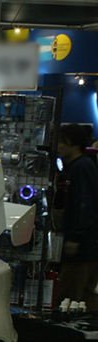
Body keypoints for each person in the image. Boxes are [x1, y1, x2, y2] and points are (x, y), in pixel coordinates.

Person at [57, 123, 98, 309]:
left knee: (70, 293)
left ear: (74, 144)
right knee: (85, 296)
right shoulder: (84, 165)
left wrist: (75, 237)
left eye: (62, 142)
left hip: (83, 245)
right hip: (89, 243)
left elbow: (85, 204)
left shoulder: (81, 167)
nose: (58, 146)